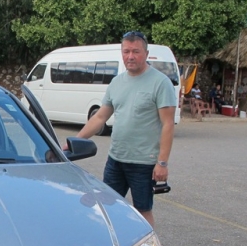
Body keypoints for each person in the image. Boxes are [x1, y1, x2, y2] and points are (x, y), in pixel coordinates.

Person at [65, 31, 176, 228]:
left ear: (146, 53)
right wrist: (75, 141)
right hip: (116, 160)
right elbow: (100, 117)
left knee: (142, 210)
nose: (130, 56)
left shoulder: (160, 83)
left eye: (136, 51)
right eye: (126, 52)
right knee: (108, 206)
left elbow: (168, 124)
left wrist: (162, 163)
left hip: (144, 163)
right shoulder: (117, 82)